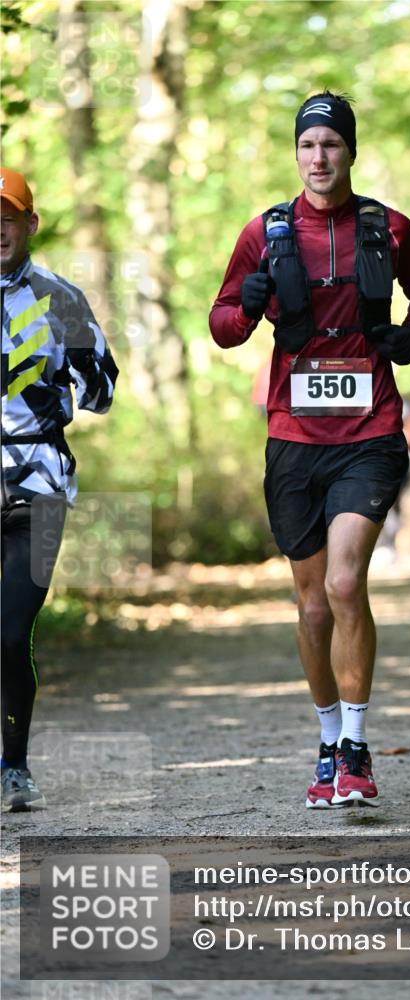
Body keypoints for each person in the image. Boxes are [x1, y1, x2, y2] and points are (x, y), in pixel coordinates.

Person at [209, 91, 410, 807]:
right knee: (312, 606)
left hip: (369, 431)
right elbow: (221, 328)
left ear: (350, 150)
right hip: (292, 438)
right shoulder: (265, 232)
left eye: (332, 145)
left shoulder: (388, 227)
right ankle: (323, 742)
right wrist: (246, 302)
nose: (320, 157)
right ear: (296, 153)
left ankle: (356, 747)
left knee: (346, 585)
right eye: (308, 145)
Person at [1, 167, 118, 811]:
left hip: (39, 484)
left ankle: (12, 767)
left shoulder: (60, 297)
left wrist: (75, 369)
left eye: (8, 215)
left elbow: (101, 394)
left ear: (29, 224)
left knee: (10, 633)